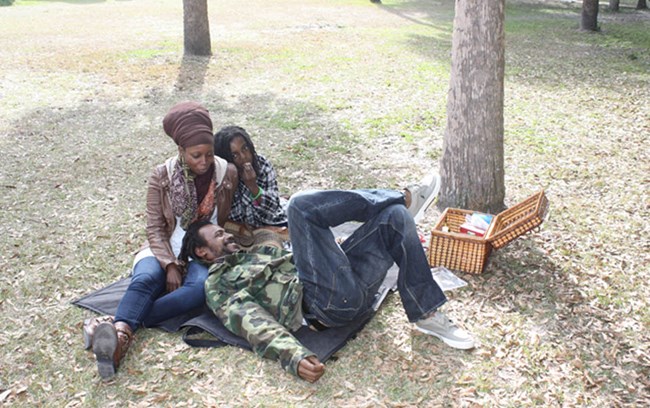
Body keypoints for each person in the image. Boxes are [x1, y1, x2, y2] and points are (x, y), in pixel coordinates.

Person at [183, 188, 475, 383]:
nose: (227, 236)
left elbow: (300, 256)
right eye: (219, 235)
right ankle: (398, 196)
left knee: (395, 220)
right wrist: (293, 356)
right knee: (299, 206)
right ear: (203, 253)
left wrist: (327, 252)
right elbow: (252, 323)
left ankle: (426, 314)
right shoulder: (220, 284)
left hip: (348, 287)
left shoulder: (257, 252)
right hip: (324, 305)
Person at [84, 101, 239, 380]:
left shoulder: (227, 172)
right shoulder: (162, 176)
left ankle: (110, 325)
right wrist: (168, 263)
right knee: (145, 281)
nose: (204, 162)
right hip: (164, 244)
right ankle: (119, 339)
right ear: (180, 151)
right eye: (195, 155)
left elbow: (233, 215)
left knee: (196, 291)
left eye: (209, 154)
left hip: (201, 250)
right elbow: (154, 228)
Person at [213, 125, 287, 228]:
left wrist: (253, 187)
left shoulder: (262, 165)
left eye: (245, 148)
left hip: (271, 224)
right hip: (238, 231)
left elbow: (274, 208)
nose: (243, 157)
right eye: (235, 155)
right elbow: (220, 218)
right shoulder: (223, 175)